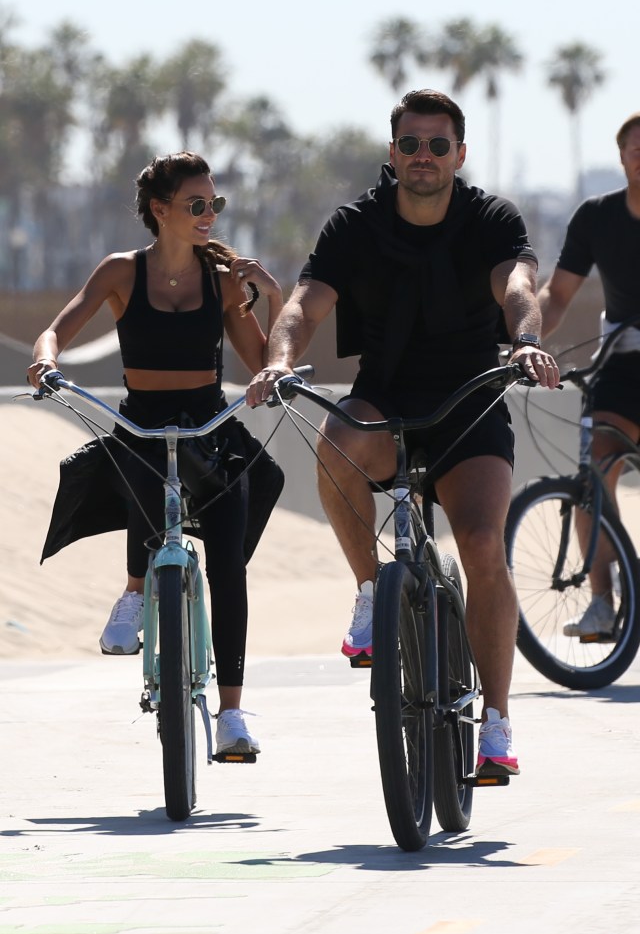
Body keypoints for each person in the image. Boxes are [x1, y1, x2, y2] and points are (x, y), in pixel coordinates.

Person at [247, 88, 560, 776]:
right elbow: (306, 303)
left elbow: (518, 285)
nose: (424, 157)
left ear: (460, 154)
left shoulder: (489, 219)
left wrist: (526, 341)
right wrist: (279, 360)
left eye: (438, 145)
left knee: (481, 544)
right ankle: (370, 592)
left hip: (471, 398)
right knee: (337, 445)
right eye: (411, 145)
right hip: (384, 396)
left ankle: (498, 723)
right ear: (393, 153)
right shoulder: (356, 224)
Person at [27, 151, 284, 755]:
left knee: (227, 565)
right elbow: (58, 328)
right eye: (196, 205)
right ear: (160, 210)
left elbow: (265, 360)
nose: (208, 215)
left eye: (214, 204)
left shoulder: (224, 282)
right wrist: (46, 360)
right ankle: (135, 590)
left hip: (209, 424)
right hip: (142, 421)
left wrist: (270, 297)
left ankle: (231, 714)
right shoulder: (121, 271)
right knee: (138, 456)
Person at [538, 113, 640, 640]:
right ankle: (603, 601)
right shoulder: (596, 217)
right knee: (591, 476)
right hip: (621, 364)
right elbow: (557, 295)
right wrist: (524, 336)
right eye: (636, 150)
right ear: (622, 157)